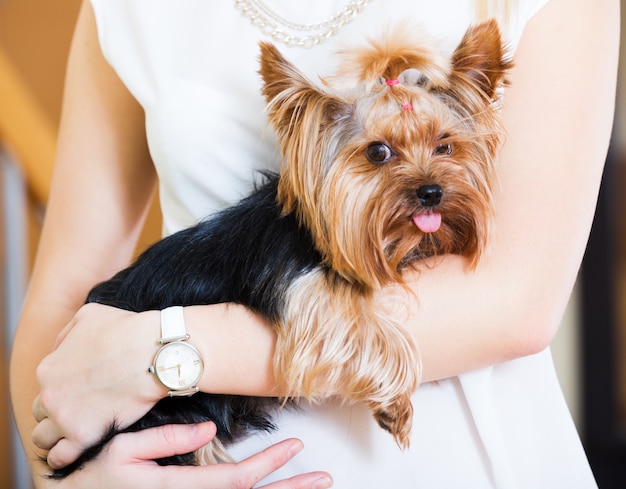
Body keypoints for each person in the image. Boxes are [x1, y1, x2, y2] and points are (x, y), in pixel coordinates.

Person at [9, 0, 618, 487]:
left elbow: (516, 303)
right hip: (188, 454)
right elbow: (62, 295)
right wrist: (68, 468)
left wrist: (163, 352)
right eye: (379, 153)